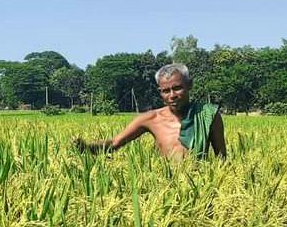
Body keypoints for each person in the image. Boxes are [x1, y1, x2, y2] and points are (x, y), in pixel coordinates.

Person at [73, 63, 225, 159]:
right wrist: (86, 147)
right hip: (165, 188)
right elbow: (114, 143)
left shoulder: (208, 115)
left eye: (177, 88)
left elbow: (221, 160)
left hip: (199, 186)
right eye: (166, 91)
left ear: (189, 85)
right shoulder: (150, 119)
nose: (172, 95)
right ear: (160, 92)